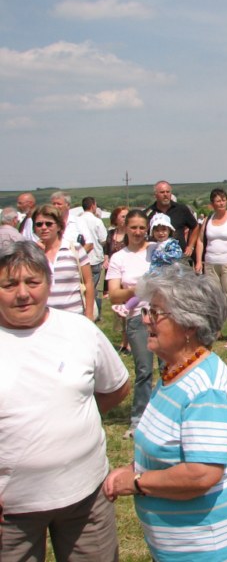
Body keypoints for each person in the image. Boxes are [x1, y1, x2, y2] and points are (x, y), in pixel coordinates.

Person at [103, 265, 227, 562]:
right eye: (147, 311)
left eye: (156, 313)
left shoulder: (206, 390)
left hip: (211, 549)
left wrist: (136, 482)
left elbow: (201, 475)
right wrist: (133, 468)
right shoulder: (174, 374)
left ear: (189, 324)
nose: (146, 319)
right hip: (182, 547)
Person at [0, 240, 129, 562]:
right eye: (9, 284)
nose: (22, 294)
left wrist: (73, 415)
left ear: (49, 283)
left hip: (86, 499)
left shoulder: (79, 330)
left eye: (32, 282)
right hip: (10, 513)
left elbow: (116, 388)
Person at [107, 209, 157, 438]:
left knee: (170, 367)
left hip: (163, 315)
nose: (138, 232)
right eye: (133, 227)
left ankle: (168, 415)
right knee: (144, 370)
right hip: (137, 316)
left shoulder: (156, 250)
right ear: (125, 228)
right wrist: (137, 289)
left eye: (142, 228)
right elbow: (114, 295)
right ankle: (139, 419)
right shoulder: (119, 258)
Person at [33, 204, 95, 320]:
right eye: (39, 224)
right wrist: (36, 254)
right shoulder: (31, 254)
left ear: (59, 226)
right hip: (43, 319)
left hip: (74, 317)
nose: (44, 227)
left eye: (49, 224)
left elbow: (89, 283)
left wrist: (89, 315)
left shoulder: (75, 249)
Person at [195, 188, 227, 339]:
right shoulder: (208, 220)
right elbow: (200, 241)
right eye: (218, 201)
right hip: (210, 263)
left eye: (223, 200)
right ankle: (217, 330)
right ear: (212, 203)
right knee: (214, 297)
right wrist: (199, 261)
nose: (221, 203)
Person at [146, 181, 199, 255]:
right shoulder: (148, 213)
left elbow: (195, 227)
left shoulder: (181, 209)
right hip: (156, 256)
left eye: (168, 192)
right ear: (155, 195)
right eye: (162, 192)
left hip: (180, 255)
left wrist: (191, 246)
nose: (165, 194)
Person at [104, 206, 129, 353]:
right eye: (122, 216)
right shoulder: (111, 234)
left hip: (126, 274)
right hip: (114, 275)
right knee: (119, 308)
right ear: (116, 218)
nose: (125, 219)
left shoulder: (130, 234)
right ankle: (124, 340)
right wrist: (106, 259)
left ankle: (130, 342)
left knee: (129, 307)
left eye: (127, 216)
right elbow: (107, 251)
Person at [81, 196, 108, 317]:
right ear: (93, 206)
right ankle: (96, 314)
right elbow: (103, 239)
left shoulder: (78, 221)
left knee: (84, 288)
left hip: (82, 259)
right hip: (96, 258)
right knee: (96, 289)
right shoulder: (97, 221)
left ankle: (86, 312)